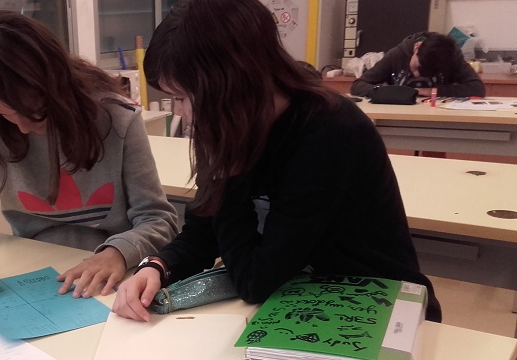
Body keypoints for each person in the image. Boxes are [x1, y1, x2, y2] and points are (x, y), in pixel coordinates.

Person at [111, 0, 442, 323]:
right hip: (299, 299)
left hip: (375, 306)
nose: (178, 112)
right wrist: (158, 266)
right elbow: (205, 231)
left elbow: (255, 282)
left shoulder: (329, 133)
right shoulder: (235, 125)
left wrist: (229, 175)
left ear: (228, 86)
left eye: (182, 97)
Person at [0, 11, 178, 298]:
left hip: (114, 278)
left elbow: (159, 220)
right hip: (37, 271)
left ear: (57, 85)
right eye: (7, 115)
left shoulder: (117, 118)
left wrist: (118, 253)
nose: (23, 127)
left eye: (34, 112)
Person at [350, 32, 485, 98]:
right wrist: (385, 92)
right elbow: (358, 85)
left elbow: (477, 88)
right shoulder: (397, 54)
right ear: (416, 47)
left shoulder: (451, 57)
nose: (416, 75)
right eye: (416, 67)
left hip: (439, 121)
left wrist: (431, 91)